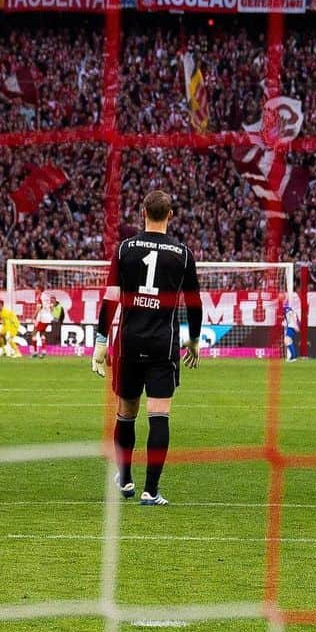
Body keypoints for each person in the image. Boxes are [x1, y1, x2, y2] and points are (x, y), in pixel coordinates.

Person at [93, 188, 201, 507]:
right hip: (162, 344)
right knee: (159, 416)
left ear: (142, 211)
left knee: (126, 414)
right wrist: (193, 341)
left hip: (129, 341)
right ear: (170, 215)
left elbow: (110, 299)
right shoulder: (182, 254)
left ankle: (125, 480)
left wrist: (100, 342)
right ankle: (150, 491)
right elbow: (194, 304)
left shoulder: (125, 248)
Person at [32, 288, 55, 358]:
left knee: (34, 333)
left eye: (36, 288)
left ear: (39, 289)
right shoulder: (47, 296)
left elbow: (38, 308)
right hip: (48, 318)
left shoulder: (39, 296)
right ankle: (43, 351)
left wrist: (34, 316)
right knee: (42, 333)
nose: (35, 290)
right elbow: (52, 308)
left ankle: (35, 352)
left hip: (42, 318)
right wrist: (49, 312)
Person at [282, 292, 300, 362]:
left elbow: (291, 317)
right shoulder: (290, 310)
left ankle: (293, 357)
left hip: (292, 326)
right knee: (289, 340)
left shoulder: (286, 309)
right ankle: (293, 356)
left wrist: (295, 325)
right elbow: (293, 318)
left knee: (287, 340)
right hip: (292, 325)